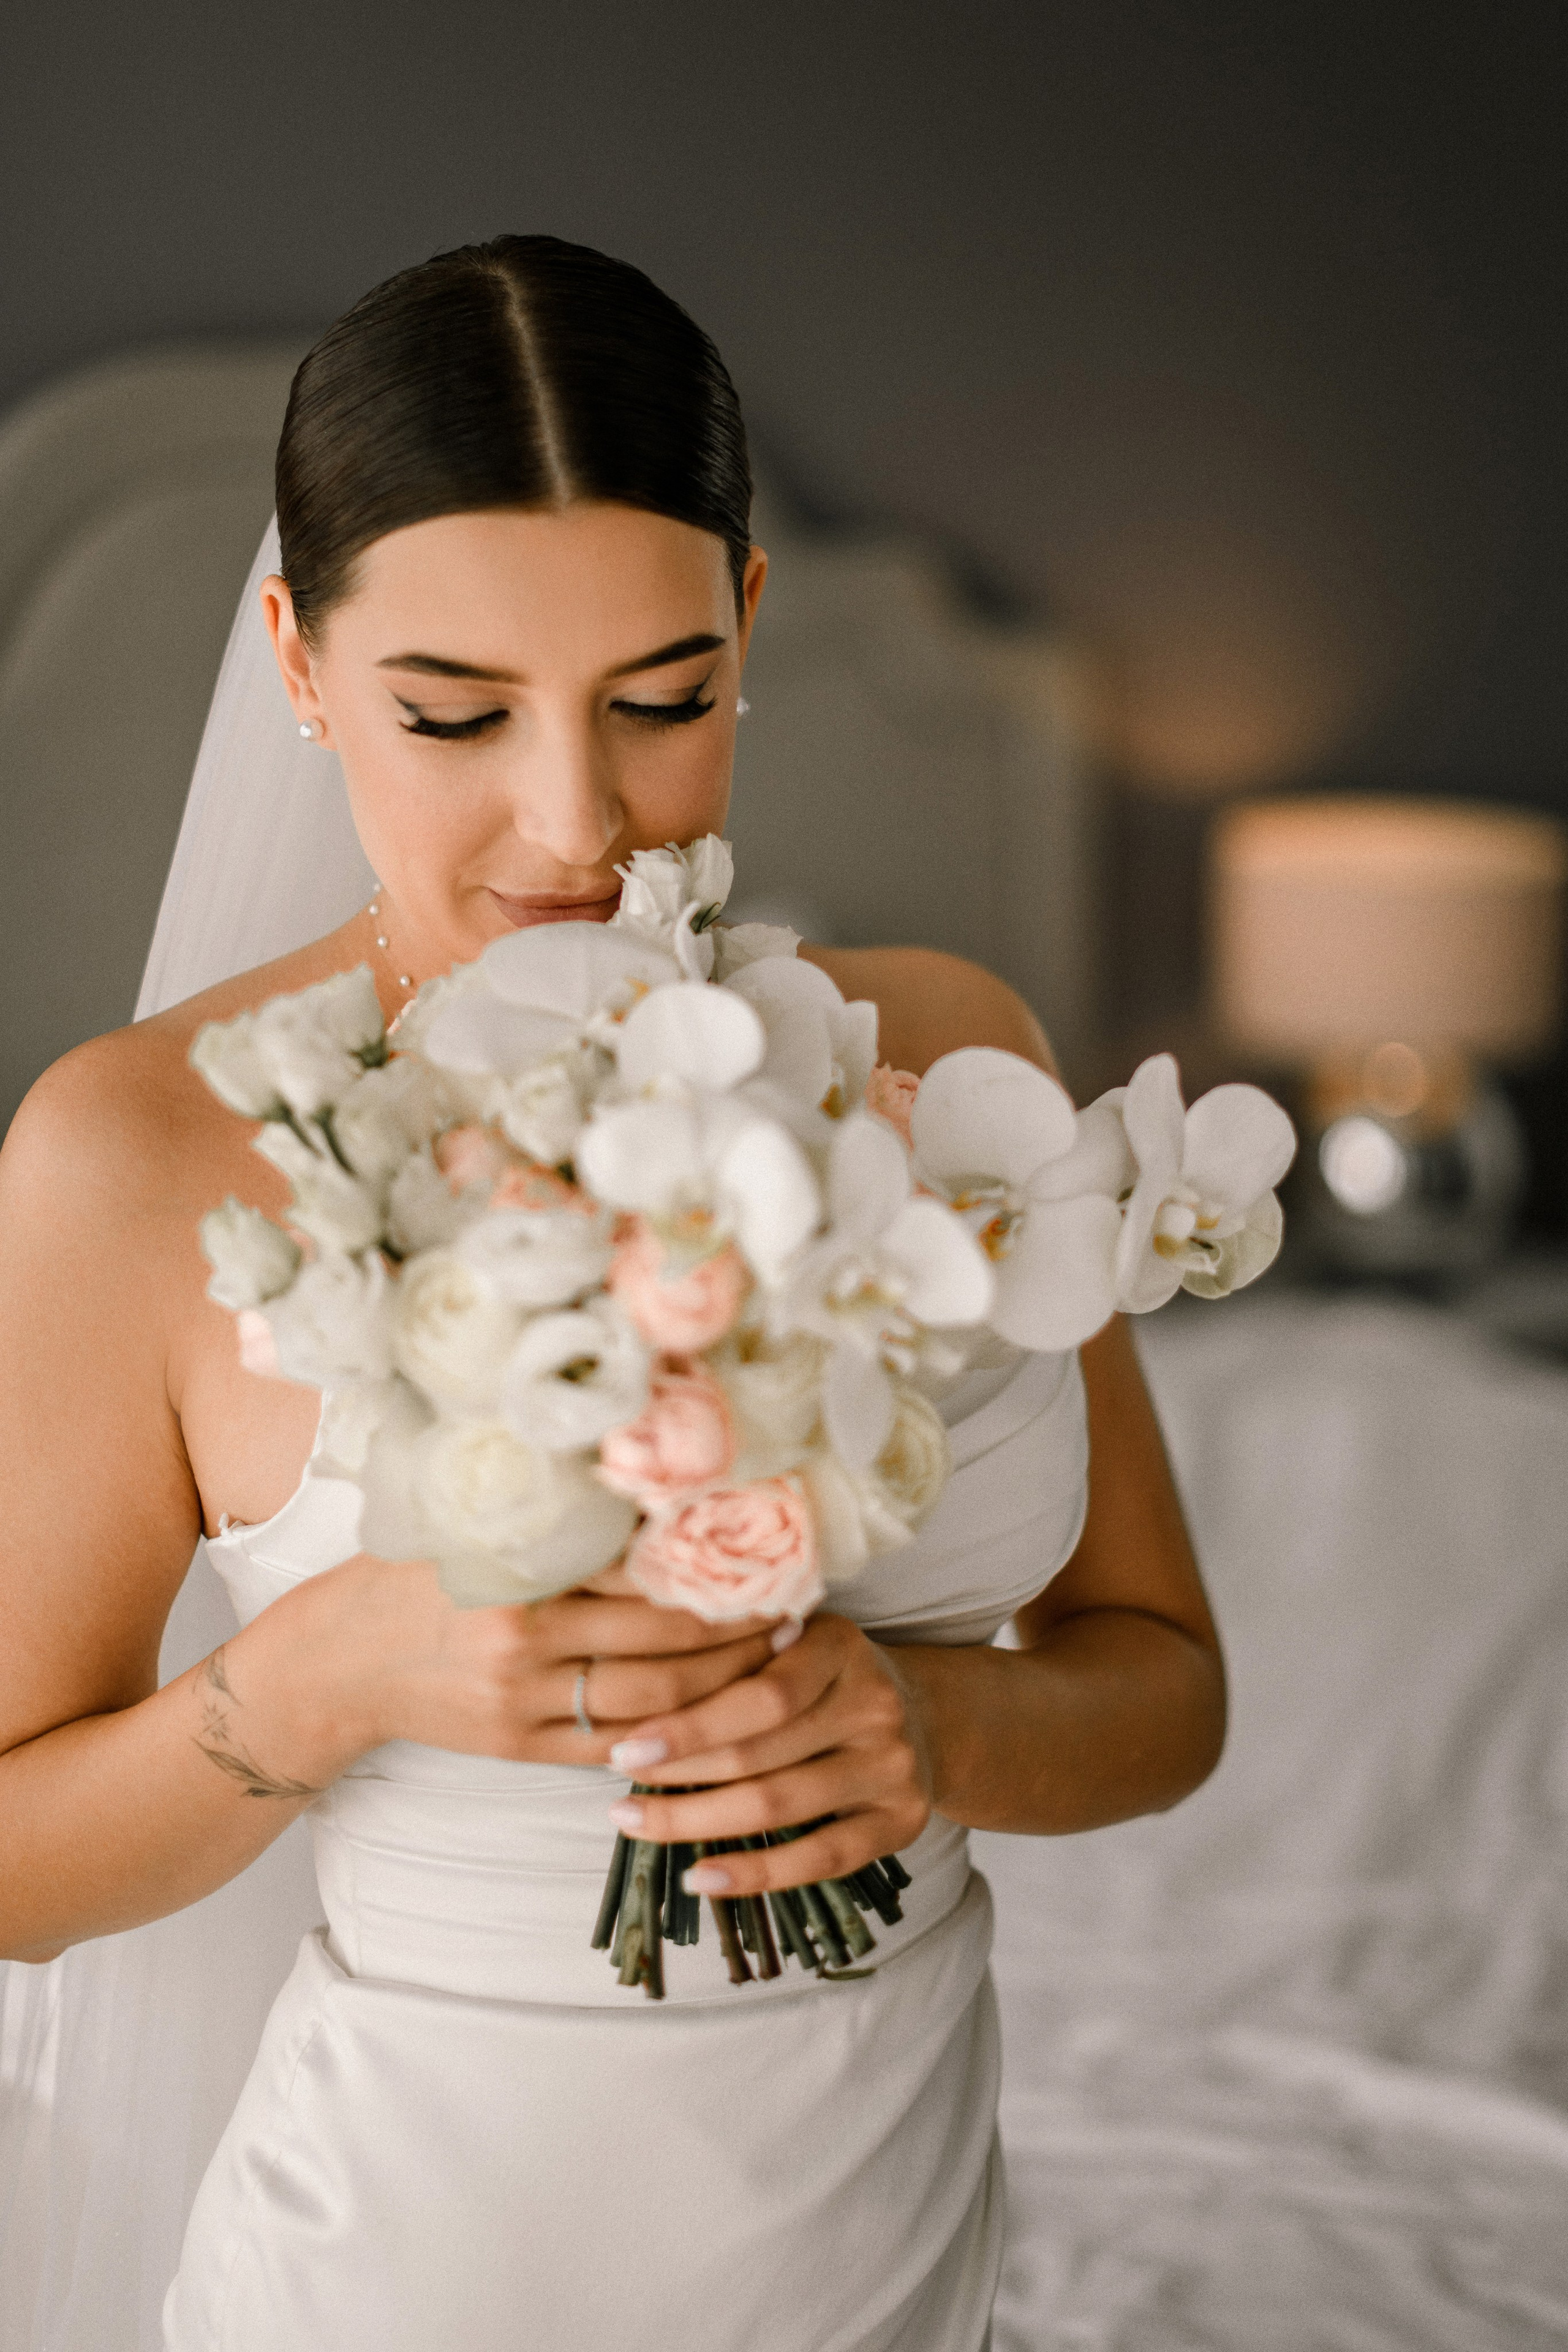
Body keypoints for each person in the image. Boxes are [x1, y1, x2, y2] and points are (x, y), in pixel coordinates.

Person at [0, 236, 1224, 2351]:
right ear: (297, 659)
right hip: (402, 2269)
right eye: (453, 714)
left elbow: (1163, 1687)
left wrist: (927, 1723)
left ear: (749, 622)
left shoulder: (946, 1057)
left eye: (661, 701)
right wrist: (324, 1680)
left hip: (887, 2266)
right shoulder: (140, 1154)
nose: (573, 822)